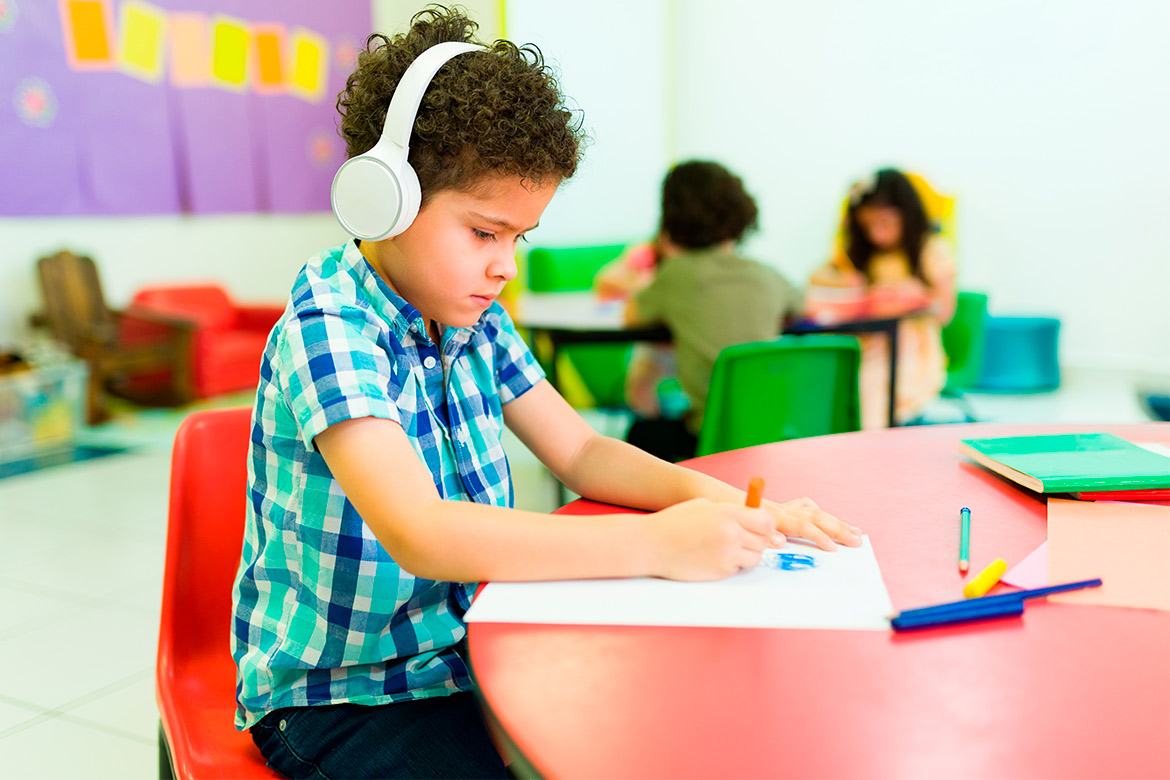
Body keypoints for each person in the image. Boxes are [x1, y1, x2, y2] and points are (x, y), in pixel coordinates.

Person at [232, 8, 862, 780]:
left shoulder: (473, 319)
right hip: (344, 700)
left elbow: (583, 450)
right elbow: (420, 532)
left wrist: (729, 504)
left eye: (519, 238)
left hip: (470, 653)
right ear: (384, 200)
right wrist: (658, 543)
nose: (506, 267)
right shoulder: (329, 327)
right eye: (484, 233)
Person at [622, 160, 801, 462]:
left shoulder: (675, 275)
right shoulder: (767, 274)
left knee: (640, 433)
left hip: (710, 438)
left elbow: (631, 317)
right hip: (774, 433)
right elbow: (804, 305)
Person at [807, 168, 957, 429]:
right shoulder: (864, 256)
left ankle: (873, 436)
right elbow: (815, 280)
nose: (877, 234)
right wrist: (847, 282)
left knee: (876, 379)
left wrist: (918, 297)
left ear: (907, 216)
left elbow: (945, 311)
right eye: (867, 227)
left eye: (885, 223)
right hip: (867, 343)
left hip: (911, 349)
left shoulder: (931, 250)